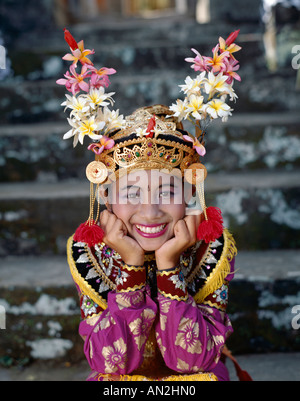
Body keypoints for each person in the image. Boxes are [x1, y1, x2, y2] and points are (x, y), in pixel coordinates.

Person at [58, 29, 246, 381]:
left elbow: (193, 361)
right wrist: (131, 266)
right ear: (105, 197)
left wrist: (168, 265)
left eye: (166, 192)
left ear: (191, 194)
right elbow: (110, 364)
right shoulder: (91, 251)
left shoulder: (212, 247)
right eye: (130, 194)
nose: (149, 211)